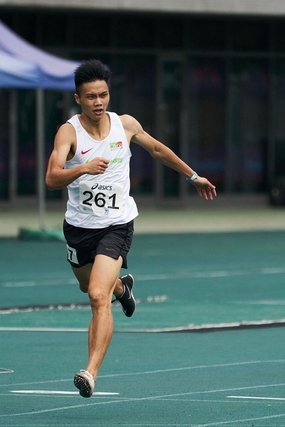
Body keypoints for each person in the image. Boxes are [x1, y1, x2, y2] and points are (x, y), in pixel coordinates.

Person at [45, 59, 217, 398]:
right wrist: (83, 168)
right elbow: (51, 178)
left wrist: (193, 176)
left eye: (104, 95)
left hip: (117, 225)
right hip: (78, 228)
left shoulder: (124, 125)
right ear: (78, 98)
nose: (98, 102)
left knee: (97, 296)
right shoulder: (69, 132)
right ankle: (122, 289)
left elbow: (157, 149)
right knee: (90, 288)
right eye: (91, 96)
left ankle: (90, 373)